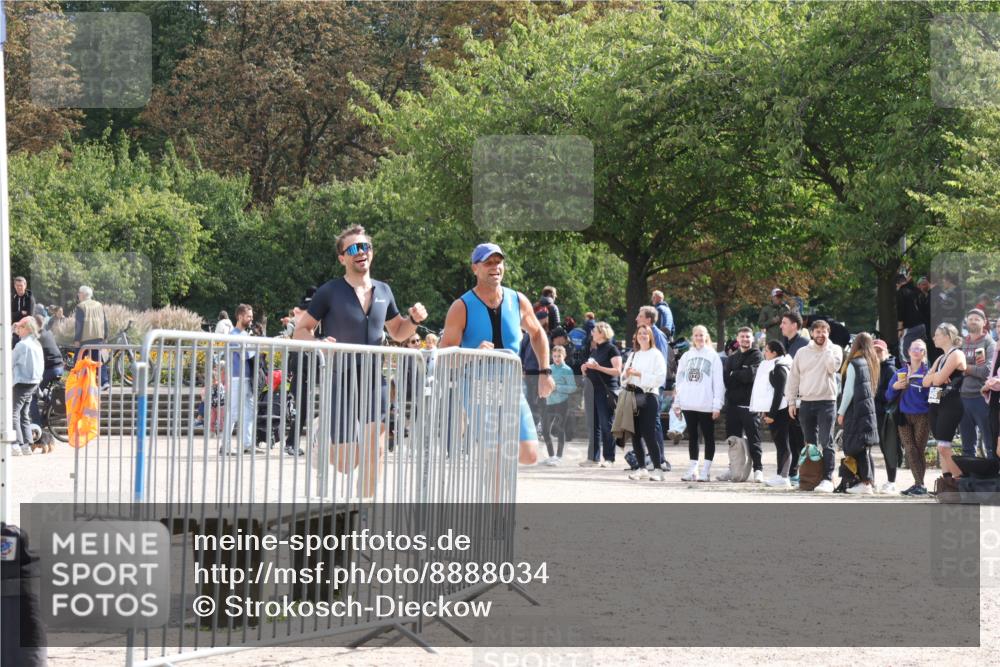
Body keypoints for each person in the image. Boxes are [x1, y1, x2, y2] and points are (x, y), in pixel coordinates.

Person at [294, 225, 428, 493]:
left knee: (376, 451)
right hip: (341, 377)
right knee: (346, 462)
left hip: (374, 379)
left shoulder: (384, 291)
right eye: (353, 248)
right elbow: (301, 330)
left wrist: (413, 320)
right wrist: (318, 343)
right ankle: (321, 442)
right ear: (342, 258)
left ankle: (363, 516)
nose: (361, 252)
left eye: (365, 247)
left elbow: (398, 332)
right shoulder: (329, 291)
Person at [439, 243, 552, 466]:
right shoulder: (461, 306)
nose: (495, 267)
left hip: (511, 384)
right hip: (477, 384)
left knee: (528, 454)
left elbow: (538, 334)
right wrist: (473, 353)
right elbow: (445, 356)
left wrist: (545, 371)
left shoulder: (517, 300)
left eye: (498, 262)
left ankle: (494, 494)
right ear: (475, 268)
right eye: (488, 262)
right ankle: (494, 500)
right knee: (497, 451)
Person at [785, 319, 844, 492]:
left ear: (828, 332)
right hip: (806, 401)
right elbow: (794, 377)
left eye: (823, 331)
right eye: (817, 331)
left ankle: (827, 478)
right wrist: (791, 401)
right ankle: (811, 477)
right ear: (811, 333)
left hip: (826, 401)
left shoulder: (835, 350)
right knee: (809, 444)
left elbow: (832, 368)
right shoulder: (802, 352)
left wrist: (826, 349)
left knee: (826, 441)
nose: (820, 335)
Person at [673, 325, 724, 482]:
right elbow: (679, 381)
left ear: (706, 336)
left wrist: (717, 405)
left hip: (706, 404)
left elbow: (718, 382)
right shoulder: (686, 356)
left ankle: (706, 470)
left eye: (701, 335)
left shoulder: (713, 356)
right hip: (689, 403)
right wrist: (677, 402)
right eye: (696, 335)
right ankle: (693, 468)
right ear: (692, 337)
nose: (699, 338)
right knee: (692, 437)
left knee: (708, 437)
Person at [621, 324, 668, 481]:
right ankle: (641, 467)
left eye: (645, 334)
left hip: (649, 396)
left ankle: (658, 468)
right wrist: (627, 375)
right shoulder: (633, 355)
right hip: (633, 396)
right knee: (635, 434)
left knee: (649, 434)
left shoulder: (656, 355)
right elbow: (623, 378)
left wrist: (640, 374)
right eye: (639, 333)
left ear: (650, 337)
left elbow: (660, 378)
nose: (642, 336)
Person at [837, 333, 881, 495]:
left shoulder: (853, 363)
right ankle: (870, 481)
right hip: (868, 410)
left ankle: (865, 483)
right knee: (865, 447)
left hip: (855, 410)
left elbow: (848, 392)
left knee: (857, 447)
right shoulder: (872, 362)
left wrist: (841, 412)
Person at [886, 338, 932, 496]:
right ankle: (919, 485)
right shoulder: (900, 372)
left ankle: (919, 485)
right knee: (910, 450)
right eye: (914, 348)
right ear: (908, 352)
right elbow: (888, 395)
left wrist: (933, 407)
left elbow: (936, 395)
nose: (916, 351)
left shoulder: (928, 373)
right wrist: (895, 387)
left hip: (922, 416)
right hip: (903, 417)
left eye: (920, 349)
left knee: (918, 450)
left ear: (924, 353)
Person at [923, 323, 967, 480]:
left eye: (937, 334)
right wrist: (936, 376)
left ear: (948, 336)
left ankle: (960, 480)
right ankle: (947, 483)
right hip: (936, 403)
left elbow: (938, 379)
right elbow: (925, 382)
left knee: (943, 447)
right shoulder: (941, 358)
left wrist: (935, 376)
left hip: (950, 403)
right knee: (941, 445)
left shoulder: (956, 354)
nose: (934, 338)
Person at [723, 326, 765, 482]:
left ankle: (758, 470)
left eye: (748, 336)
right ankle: (733, 469)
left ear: (752, 339)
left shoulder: (757, 356)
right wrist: (739, 374)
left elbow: (751, 376)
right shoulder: (731, 358)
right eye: (742, 336)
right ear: (737, 338)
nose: (745, 339)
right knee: (733, 440)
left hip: (750, 405)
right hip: (733, 405)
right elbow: (727, 380)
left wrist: (736, 373)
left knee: (754, 439)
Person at [750, 340, 793, 487]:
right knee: (780, 443)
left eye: (766, 350)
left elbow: (778, 394)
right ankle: (780, 474)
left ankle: (784, 476)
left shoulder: (779, 368)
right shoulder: (775, 366)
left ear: (774, 353)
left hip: (780, 412)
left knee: (783, 444)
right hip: (776, 411)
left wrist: (772, 415)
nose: (764, 353)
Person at [578, 321, 621, 467]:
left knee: (606, 425)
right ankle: (593, 458)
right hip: (591, 391)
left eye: (594, 331)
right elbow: (593, 370)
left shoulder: (612, 349)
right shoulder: (595, 350)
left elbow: (617, 371)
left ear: (602, 332)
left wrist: (598, 367)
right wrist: (585, 369)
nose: (592, 333)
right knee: (593, 425)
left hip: (605, 391)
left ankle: (609, 458)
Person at [637, 306, 671, 471]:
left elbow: (661, 364)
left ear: (648, 320)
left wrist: (654, 383)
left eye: (640, 316)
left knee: (654, 423)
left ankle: (660, 459)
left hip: (653, 387)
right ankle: (652, 457)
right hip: (643, 386)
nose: (637, 319)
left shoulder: (657, 335)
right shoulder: (646, 337)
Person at [959, 309, 996, 459]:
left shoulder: (990, 343)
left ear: (984, 322)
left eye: (977, 319)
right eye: (971, 318)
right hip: (963, 397)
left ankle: (993, 479)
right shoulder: (961, 343)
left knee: (990, 444)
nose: (973, 321)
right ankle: (970, 479)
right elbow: (954, 369)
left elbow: (986, 371)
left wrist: (964, 368)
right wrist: (969, 369)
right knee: (967, 446)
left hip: (982, 398)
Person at [222, 304, 258, 455]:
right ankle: (226, 445)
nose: (251, 319)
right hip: (237, 378)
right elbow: (246, 355)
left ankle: (247, 443)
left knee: (249, 411)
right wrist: (256, 345)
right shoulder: (234, 335)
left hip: (246, 377)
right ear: (240, 316)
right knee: (234, 412)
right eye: (248, 316)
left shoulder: (244, 335)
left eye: (251, 316)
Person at [10, 317, 43, 456]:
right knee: (24, 413)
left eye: (20, 327)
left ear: (27, 328)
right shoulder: (36, 344)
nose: (18, 330)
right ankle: (27, 444)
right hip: (34, 382)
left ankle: (16, 444)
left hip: (22, 381)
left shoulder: (21, 345)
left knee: (14, 413)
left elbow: (9, 361)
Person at [872, 339, 902, 494]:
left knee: (889, 448)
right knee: (882, 449)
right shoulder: (873, 368)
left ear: (886, 351)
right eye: (874, 351)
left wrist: (874, 395)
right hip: (876, 413)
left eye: (879, 351)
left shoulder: (890, 369)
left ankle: (892, 481)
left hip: (887, 415)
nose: (877, 354)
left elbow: (890, 394)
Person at [541, 345, 577, 466]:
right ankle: (551, 456)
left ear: (564, 356)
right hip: (549, 402)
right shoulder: (549, 368)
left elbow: (572, 388)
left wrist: (557, 387)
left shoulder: (567, 370)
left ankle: (559, 456)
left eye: (559, 356)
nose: (557, 358)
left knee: (560, 429)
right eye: (555, 356)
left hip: (562, 403)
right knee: (545, 431)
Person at [29, 314, 65, 434]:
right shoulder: (48, 332)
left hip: (51, 369)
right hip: (59, 367)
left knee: (32, 395)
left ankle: (37, 424)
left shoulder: (37, 337)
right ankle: (52, 404)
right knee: (41, 391)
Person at [72, 286, 109, 389]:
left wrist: (77, 339)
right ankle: (104, 382)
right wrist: (105, 335)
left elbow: (79, 325)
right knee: (100, 360)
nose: (78, 295)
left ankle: (76, 381)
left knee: (78, 359)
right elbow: (105, 322)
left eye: (79, 293)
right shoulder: (99, 305)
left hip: (85, 339)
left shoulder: (80, 306)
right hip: (98, 337)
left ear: (83, 294)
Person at [11, 276, 36, 347]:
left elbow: (30, 316)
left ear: (25, 285)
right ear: (14, 286)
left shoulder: (30, 298)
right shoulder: (12, 297)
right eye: (17, 285)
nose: (19, 288)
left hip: (25, 330)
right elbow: (8, 315)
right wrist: (20, 312)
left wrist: (18, 322)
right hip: (14, 329)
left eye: (21, 285)